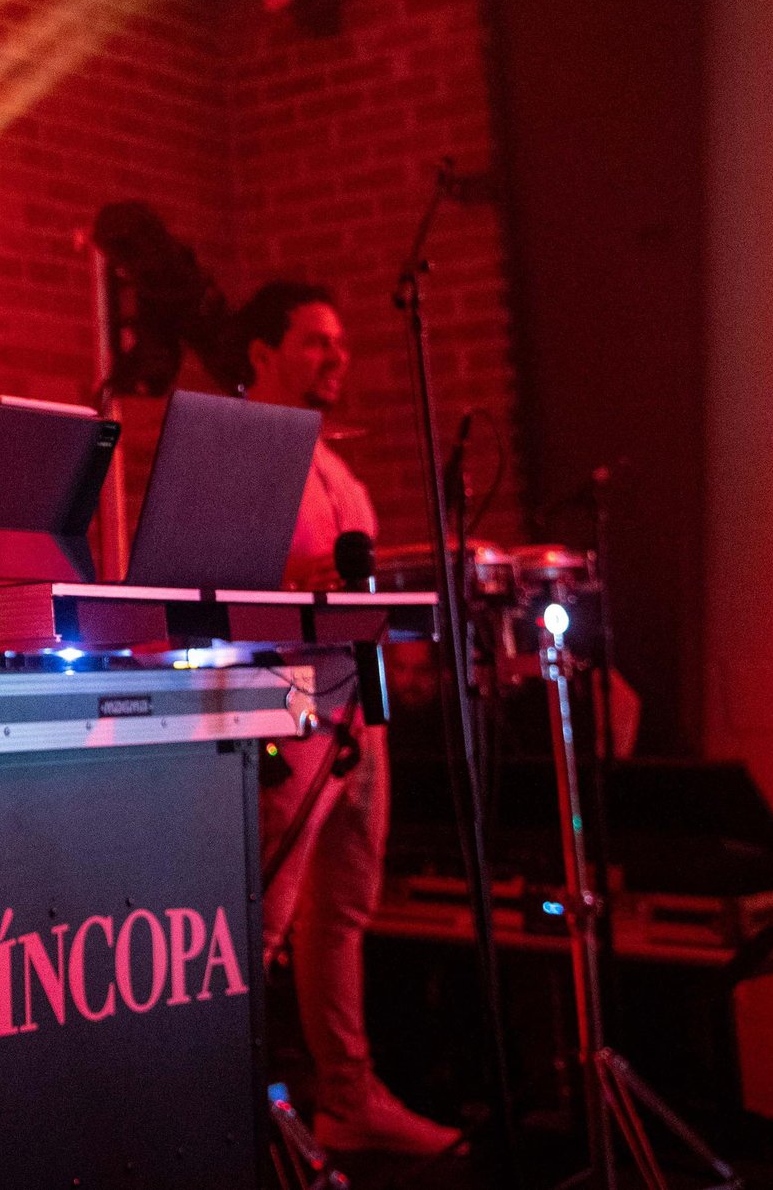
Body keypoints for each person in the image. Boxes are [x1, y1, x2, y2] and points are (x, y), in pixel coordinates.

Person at [234, 280, 459, 1158]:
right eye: (315, 340)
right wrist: (296, 589)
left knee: (345, 910)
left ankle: (349, 1099)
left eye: (340, 342)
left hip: (358, 708)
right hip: (288, 702)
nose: (337, 356)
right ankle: (226, 1109)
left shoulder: (337, 466)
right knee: (263, 918)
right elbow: (209, 592)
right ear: (262, 353)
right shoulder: (245, 455)